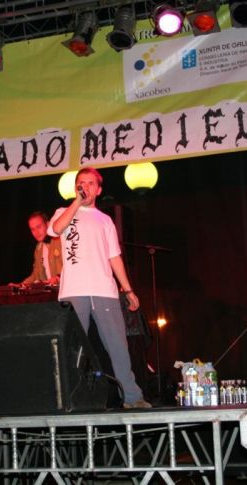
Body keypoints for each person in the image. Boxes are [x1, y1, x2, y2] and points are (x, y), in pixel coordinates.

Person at [48, 167, 151, 409]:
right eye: (81, 183)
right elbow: (54, 230)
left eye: (91, 183)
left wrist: (128, 290)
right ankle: (70, 399)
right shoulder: (63, 212)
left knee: (117, 347)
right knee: (72, 349)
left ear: (99, 189)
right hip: (73, 291)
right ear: (76, 187)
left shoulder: (105, 221)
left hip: (104, 290)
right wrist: (76, 202)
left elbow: (115, 257)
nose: (86, 186)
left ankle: (132, 398)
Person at [20, 211, 62, 286]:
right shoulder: (38, 249)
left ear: (48, 224)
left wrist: (59, 277)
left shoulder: (61, 240)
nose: (36, 232)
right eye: (32, 229)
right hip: (53, 294)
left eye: (38, 227)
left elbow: (73, 265)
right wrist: (21, 285)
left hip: (68, 291)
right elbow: (36, 275)